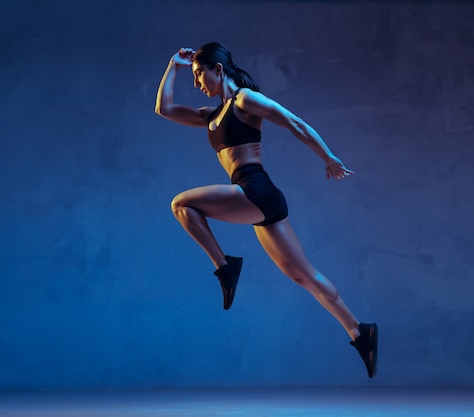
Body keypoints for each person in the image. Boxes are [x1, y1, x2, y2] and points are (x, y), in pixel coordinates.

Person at [155, 42, 378, 378]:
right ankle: (360, 331)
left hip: (254, 191)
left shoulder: (244, 100)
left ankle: (224, 264)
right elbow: (164, 109)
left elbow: (293, 122)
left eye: (200, 74)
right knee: (303, 275)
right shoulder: (209, 115)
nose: (197, 82)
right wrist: (174, 65)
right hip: (260, 200)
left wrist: (329, 157)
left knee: (181, 204)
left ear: (219, 69)